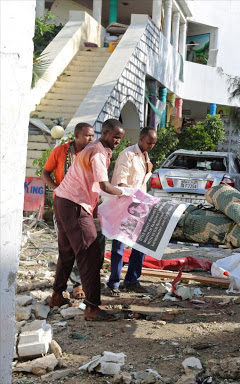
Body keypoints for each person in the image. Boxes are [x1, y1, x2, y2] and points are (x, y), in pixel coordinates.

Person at [48, 119, 127, 321]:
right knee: (90, 253)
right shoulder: (98, 152)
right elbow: (104, 186)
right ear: (106, 133)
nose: (118, 141)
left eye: (120, 138)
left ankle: (57, 296)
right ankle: (92, 307)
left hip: (64, 201)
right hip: (74, 204)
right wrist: (127, 194)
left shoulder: (94, 149)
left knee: (67, 253)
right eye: (115, 137)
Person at [42, 122, 95, 300]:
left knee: (72, 248)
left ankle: (61, 291)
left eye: (93, 135)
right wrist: (57, 189)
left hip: (83, 205)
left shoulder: (91, 153)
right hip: (64, 204)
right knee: (74, 247)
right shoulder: (60, 151)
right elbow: (45, 173)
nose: (91, 139)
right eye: (88, 135)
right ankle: (78, 286)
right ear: (77, 136)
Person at [107, 127, 157, 295]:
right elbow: (120, 182)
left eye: (154, 144)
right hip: (125, 205)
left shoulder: (145, 156)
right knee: (119, 246)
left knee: (141, 244)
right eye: (149, 142)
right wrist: (132, 196)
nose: (151, 146)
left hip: (140, 207)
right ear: (141, 139)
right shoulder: (127, 154)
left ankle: (131, 280)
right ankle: (114, 282)